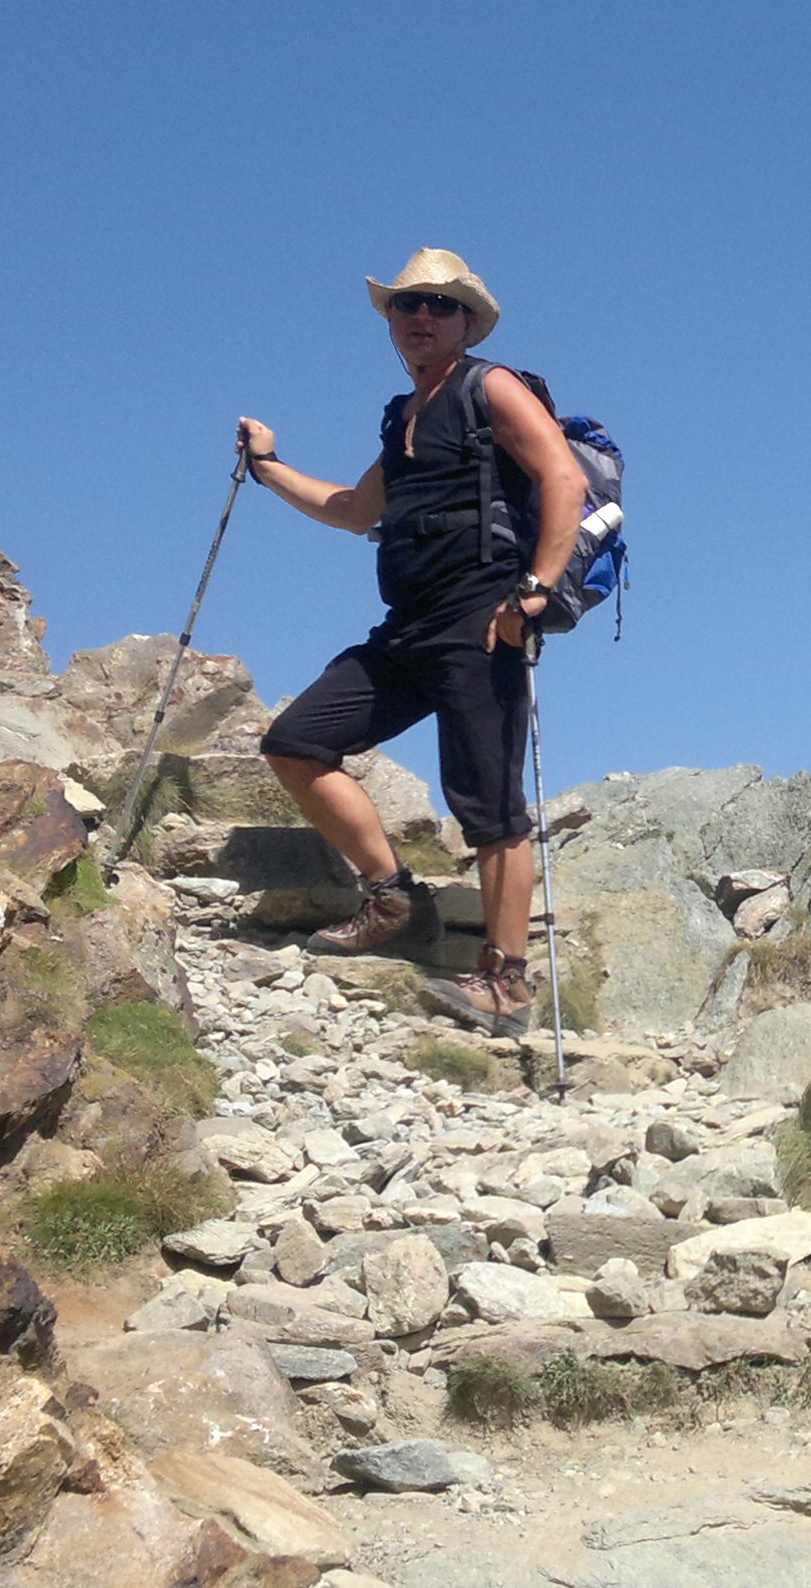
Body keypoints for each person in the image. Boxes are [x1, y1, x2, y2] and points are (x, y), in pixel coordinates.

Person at [236, 248, 585, 1031]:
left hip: (484, 618)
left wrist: (532, 593)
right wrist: (267, 469)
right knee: (297, 741)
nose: (420, 315)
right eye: (407, 304)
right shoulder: (404, 416)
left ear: (466, 321)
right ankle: (394, 895)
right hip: (409, 626)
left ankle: (508, 985)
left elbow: (564, 479)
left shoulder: (488, 385)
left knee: (490, 807)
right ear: (391, 320)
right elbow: (355, 510)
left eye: (438, 304)